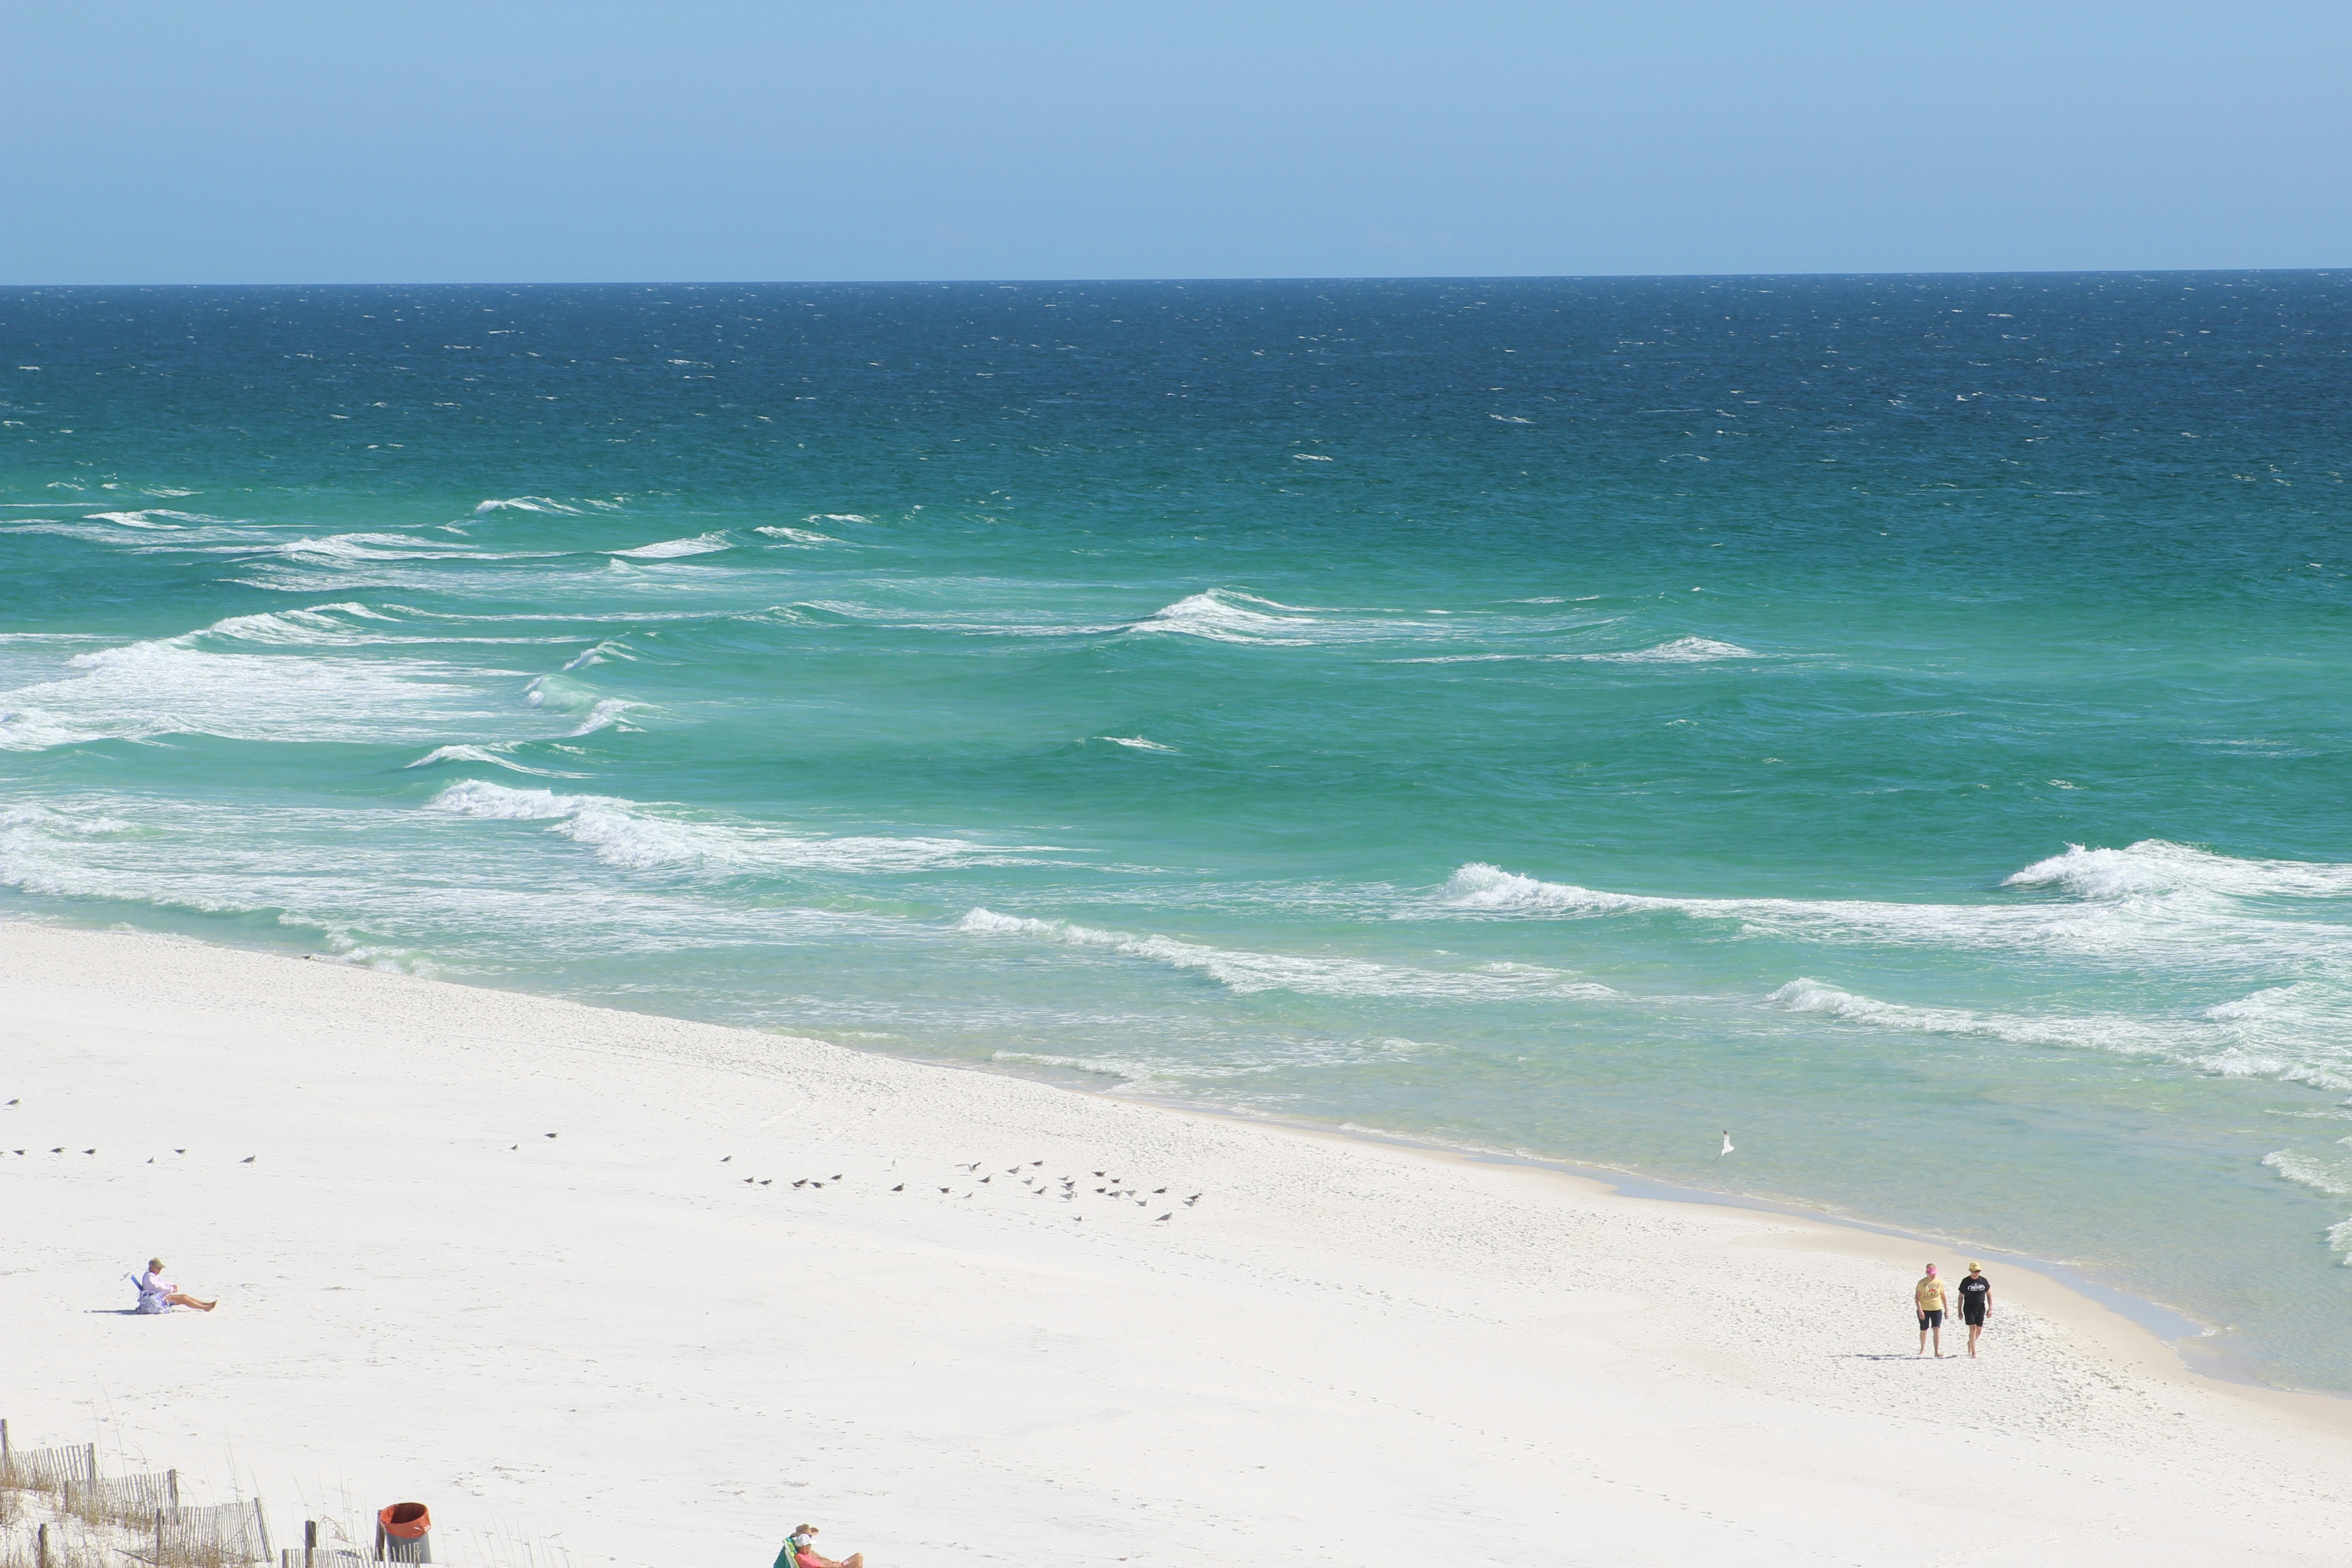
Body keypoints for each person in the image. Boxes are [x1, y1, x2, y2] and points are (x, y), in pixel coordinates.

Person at [135, 1259, 217, 1313]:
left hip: (159, 1296)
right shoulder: (150, 1277)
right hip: (157, 1299)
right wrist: (171, 1289)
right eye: (158, 1268)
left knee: (185, 1296)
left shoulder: (153, 1275)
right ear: (152, 1267)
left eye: (160, 1268)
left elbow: (162, 1284)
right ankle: (205, 1308)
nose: (160, 1270)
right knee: (184, 1299)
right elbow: (158, 1288)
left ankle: (205, 1304)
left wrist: (171, 1286)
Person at [775, 1525, 863, 1568]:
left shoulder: (805, 1553)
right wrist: (834, 1566)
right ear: (805, 1547)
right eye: (809, 1545)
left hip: (832, 1566)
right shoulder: (800, 1557)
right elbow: (819, 1566)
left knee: (859, 1557)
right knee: (857, 1565)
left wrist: (832, 1564)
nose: (811, 1546)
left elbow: (819, 1559)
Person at [1956, 1262, 1992, 1357]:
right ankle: (1974, 1352)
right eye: (1975, 1271)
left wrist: (1990, 1309)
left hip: (1981, 1307)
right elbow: (1961, 1297)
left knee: (1979, 1330)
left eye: (1979, 1271)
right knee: (1973, 1329)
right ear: (1970, 1271)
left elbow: (1989, 1295)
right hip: (1969, 1307)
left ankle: (1971, 1343)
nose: (1977, 1273)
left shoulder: (1984, 1281)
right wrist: (1959, 1311)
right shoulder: (1966, 1282)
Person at [1914, 1263, 1946, 1358]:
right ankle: (1923, 1349)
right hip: (1924, 1309)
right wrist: (1920, 1310)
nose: (1933, 1276)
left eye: (1934, 1274)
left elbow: (1943, 1297)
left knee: (1936, 1329)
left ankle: (1936, 1352)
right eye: (1931, 1274)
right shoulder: (1922, 1283)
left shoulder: (1939, 1283)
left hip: (1936, 1308)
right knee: (1924, 1329)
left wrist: (1946, 1309)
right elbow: (1917, 1297)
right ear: (1927, 1273)